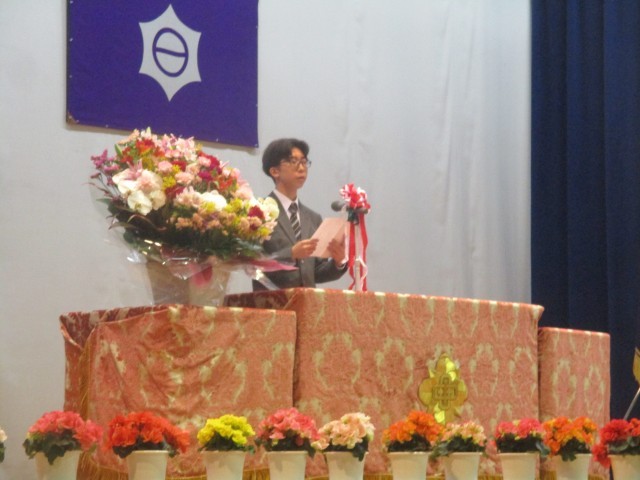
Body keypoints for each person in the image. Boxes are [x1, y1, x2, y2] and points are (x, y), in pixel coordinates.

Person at [253, 138, 347, 290]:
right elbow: (252, 264)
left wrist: (338, 262)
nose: (302, 168)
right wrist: (290, 254)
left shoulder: (313, 218)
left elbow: (315, 273)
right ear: (275, 171)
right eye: (293, 161)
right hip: (272, 300)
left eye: (304, 162)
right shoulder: (258, 212)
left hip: (308, 301)